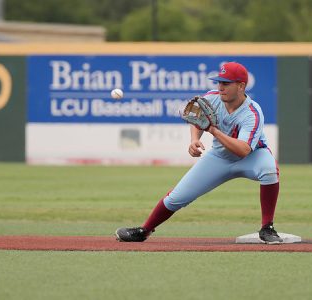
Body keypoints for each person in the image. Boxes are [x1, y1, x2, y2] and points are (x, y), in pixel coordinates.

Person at [115, 62, 283, 244]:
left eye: (226, 83)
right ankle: (144, 230)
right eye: (219, 82)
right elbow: (197, 119)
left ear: (241, 86)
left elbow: (243, 150)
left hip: (252, 157)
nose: (220, 87)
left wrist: (214, 131)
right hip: (219, 157)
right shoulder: (212, 98)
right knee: (176, 198)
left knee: (269, 170)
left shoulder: (252, 113)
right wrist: (194, 139)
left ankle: (267, 227)